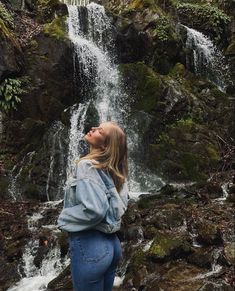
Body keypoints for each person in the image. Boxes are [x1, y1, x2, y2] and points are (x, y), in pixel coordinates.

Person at [58, 121, 129, 291]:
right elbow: (121, 207)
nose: (93, 129)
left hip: (90, 246)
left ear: (105, 145)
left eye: (100, 131)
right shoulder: (116, 170)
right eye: (97, 127)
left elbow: (95, 210)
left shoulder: (86, 165)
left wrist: (64, 218)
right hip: (112, 246)